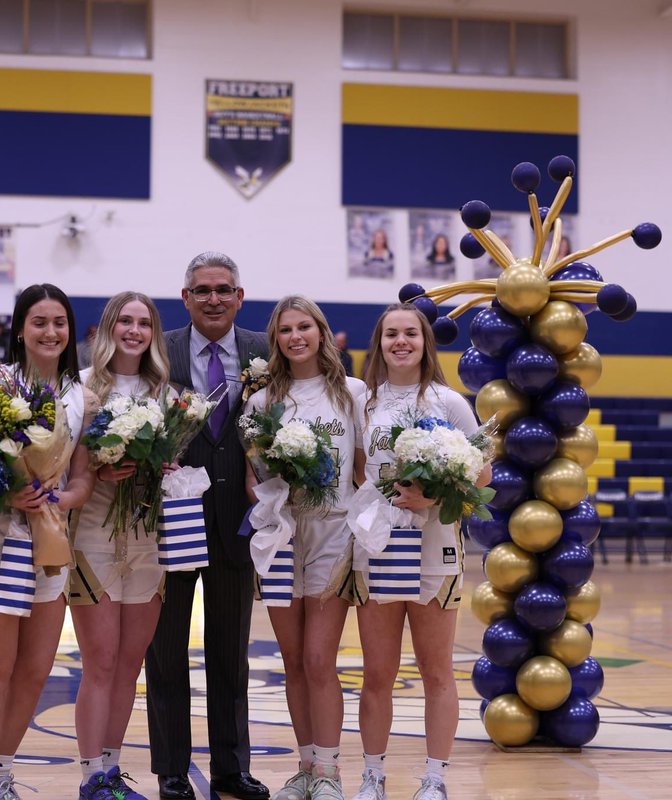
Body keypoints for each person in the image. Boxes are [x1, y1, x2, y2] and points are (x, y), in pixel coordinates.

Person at [0, 283, 96, 800]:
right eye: (40, 322)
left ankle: (3, 774)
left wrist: (62, 500)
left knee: (34, 672)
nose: (51, 331)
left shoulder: (83, 396)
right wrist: (10, 495)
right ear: (19, 330)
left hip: (48, 545)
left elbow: (83, 478)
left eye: (60, 322)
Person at [348, 303, 493, 800]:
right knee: (377, 672)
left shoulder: (450, 403)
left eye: (410, 333)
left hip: (435, 547)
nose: (401, 342)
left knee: (436, 670)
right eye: (391, 334)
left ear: (425, 342)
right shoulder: (364, 402)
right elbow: (359, 471)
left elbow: (481, 476)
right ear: (380, 342)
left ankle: (434, 779)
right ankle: (373, 776)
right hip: (378, 545)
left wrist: (434, 497)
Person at [145, 251, 270, 800]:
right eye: (202, 290)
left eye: (224, 289)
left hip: (237, 525)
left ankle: (231, 769)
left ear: (240, 297)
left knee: (230, 654)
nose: (214, 298)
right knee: (165, 652)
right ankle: (172, 770)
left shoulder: (265, 353)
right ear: (186, 297)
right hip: (172, 521)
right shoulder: (158, 349)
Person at [242, 296, 365, 800]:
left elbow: (364, 469)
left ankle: (331, 771)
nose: (296, 336)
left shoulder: (353, 393)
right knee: (292, 660)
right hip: (280, 533)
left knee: (319, 658)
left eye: (305, 327)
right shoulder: (262, 402)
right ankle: (305, 767)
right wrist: (275, 492)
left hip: (334, 530)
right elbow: (253, 478)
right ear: (276, 339)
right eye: (286, 329)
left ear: (321, 332)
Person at [72, 291, 173, 800]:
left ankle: (111, 772)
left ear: (153, 333)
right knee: (101, 662)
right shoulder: (84, 387)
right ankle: (90, 777)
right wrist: (98, 466)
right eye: (125, 321)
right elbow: (67, 461)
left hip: (148, 536)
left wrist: (167, 467)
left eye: (144, 323)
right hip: (93, 534)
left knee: (131, 664)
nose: (134, 331)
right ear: (108, 327)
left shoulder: (165, 394)